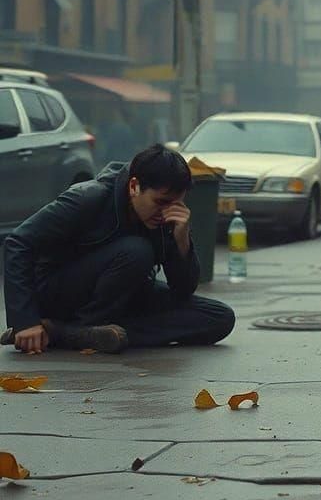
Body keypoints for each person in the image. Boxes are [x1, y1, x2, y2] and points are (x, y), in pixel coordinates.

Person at [2, 145, 235, 354]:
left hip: (122, 295)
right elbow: (18, 243)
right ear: (134, 186)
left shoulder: (167, 218)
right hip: (59, 291)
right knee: (137, 250)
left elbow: (183, 290)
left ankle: (69, 334)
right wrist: (25, 321)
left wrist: (182, 240)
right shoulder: (88, 197)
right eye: (160, 202)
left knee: (219, 318)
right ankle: (79, 329)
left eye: (175, 203)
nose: (165, 211)